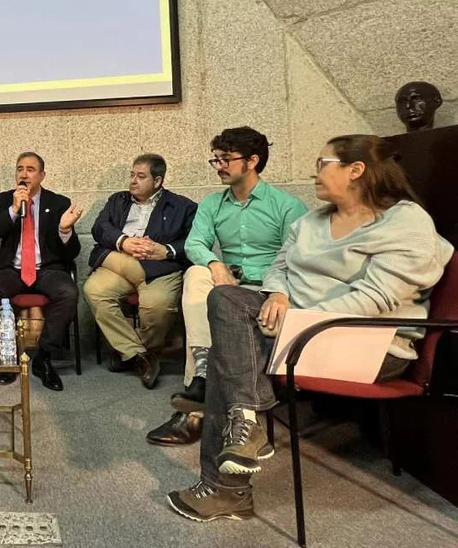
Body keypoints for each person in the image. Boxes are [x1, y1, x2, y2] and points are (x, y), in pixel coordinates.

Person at [167, 134, 453, 522]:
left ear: (356, 170)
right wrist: (279, 296)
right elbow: (279, 266)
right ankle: (246, 424)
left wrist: (299, 321)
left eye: (322, 163)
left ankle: (228, 478)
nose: (313, 172)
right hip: (299, 327)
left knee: (228, 357)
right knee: (225, 299)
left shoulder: (405, 220)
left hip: (371, 342)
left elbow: (376, 300)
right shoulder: (311, 221)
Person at [147, 128, 306, 447]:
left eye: (225, 159)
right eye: (215, 159)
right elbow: (194, 243)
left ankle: (197, 412)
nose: (218, 165)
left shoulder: (287, 205)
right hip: (229, 284)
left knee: (218, 301)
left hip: (270, 290)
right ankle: (203, 376)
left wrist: (279, 291)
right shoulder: (212, 204)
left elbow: (300, 258)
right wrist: (215, 263)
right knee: (196, 274)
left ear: (252, 162)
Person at [83, 154, 197, 389]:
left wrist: (165, 250)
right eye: (132, 175)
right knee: (95, 290)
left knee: (157, 305)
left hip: (160, 268)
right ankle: (142, 356)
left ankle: (133, 353)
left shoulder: (182, 206)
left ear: (157, 181)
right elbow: (100, 228)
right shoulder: (118, 200)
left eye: (141, 176)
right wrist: (124, 241)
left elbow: (194, 240)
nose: (133, 181)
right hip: (120, 261)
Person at [0, 152, 83, 392]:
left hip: (47, 269)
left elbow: (72, 252)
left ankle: (43, 357)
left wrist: (65, 230)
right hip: (13, 269)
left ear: (42, 175)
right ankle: (11, 355)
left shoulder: (58, 203)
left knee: (68, 293)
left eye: (30, 169)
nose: (24, 174)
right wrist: (14, 210)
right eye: (19, 169)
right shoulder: (2, 200)